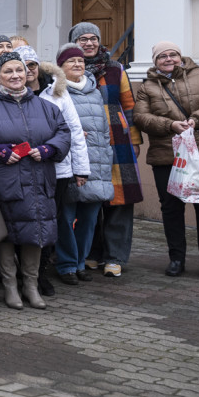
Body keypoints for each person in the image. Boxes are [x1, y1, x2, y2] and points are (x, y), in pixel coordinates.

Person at [0, 52, 70, 311]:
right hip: (5, 181)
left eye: (19, 71)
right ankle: (10, 286)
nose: (15, 76)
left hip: (39, 179)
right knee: (6, 234)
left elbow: (64, 134)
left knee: (36, 232)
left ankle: (31, 286)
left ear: (27, 74)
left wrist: (48, 150)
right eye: (8, 71)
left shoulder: (46, 107)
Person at [134, 41, 199, 279]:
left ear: (180, 56)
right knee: (171, 209)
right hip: (168, 156)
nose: (168, 59)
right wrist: (170, 125)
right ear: (155, 62)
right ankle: (176, 258)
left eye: (173, 54)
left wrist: (197, 119)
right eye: (162, 56)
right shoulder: (148, 86)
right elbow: (141, 116)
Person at [70, 22, 143, 279]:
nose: (88, 43)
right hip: (86, 143)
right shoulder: (68, 69)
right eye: (82, 39)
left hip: (116, 140)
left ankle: (115, 257)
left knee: (119, 201)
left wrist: (134, 139)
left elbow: (129, 106)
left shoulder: (115, 69)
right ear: (74, 43)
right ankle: (93, 253)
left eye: (93, 38)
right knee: (91, 198)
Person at [50, 43, 114, 285]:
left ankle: (79, 263)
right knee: (66, 218)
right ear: (60, 67)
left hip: (96, 163)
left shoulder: (95, 91)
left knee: (89, 220)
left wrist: (106, 155)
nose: (77, 65)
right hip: (69, 162)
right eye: (71, 61)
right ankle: (66, 264)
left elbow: (105, 130)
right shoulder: (56, 92)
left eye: (80, 61)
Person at [38, 48, 91, 289]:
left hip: (57, 168)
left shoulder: (56, 92)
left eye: (30, 65)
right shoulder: (5, 93)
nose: (25, 72)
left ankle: (42, 270)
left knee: (53, 218)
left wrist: (80, 169)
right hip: (19, 167)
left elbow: (74, 132)